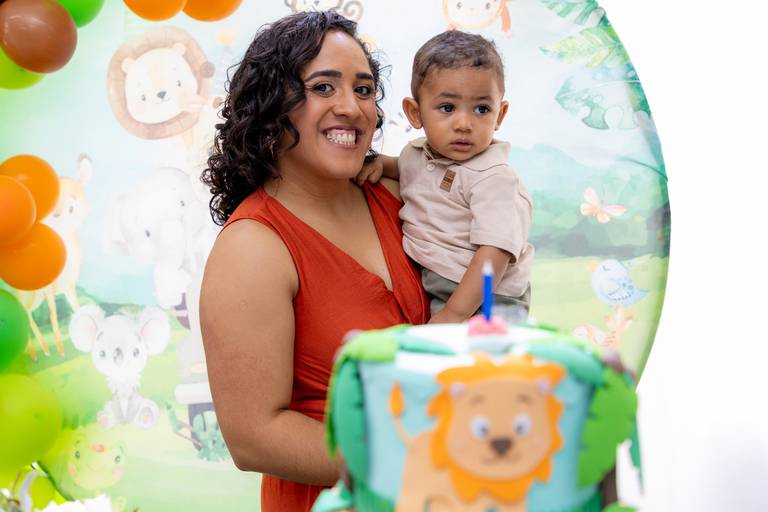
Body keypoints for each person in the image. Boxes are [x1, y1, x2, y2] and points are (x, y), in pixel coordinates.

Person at [198, 11, 429, 512]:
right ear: (270, 107)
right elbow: (254, 437)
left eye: (364, 90)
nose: (351, 107)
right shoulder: (253, 247)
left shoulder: (401, 199)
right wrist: (415, 464)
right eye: (324, 87)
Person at [357, 30, 534, 324]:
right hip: (440, 282)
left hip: (486, 296)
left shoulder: (495, 179)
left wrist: (456, 312)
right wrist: (379, 164)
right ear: (415, 113)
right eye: (447, 108)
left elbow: (495, 253)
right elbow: (404, 167)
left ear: (500, 115)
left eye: (481, 109)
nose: (464, 124)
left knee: (482, 352)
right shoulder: (416, 155)